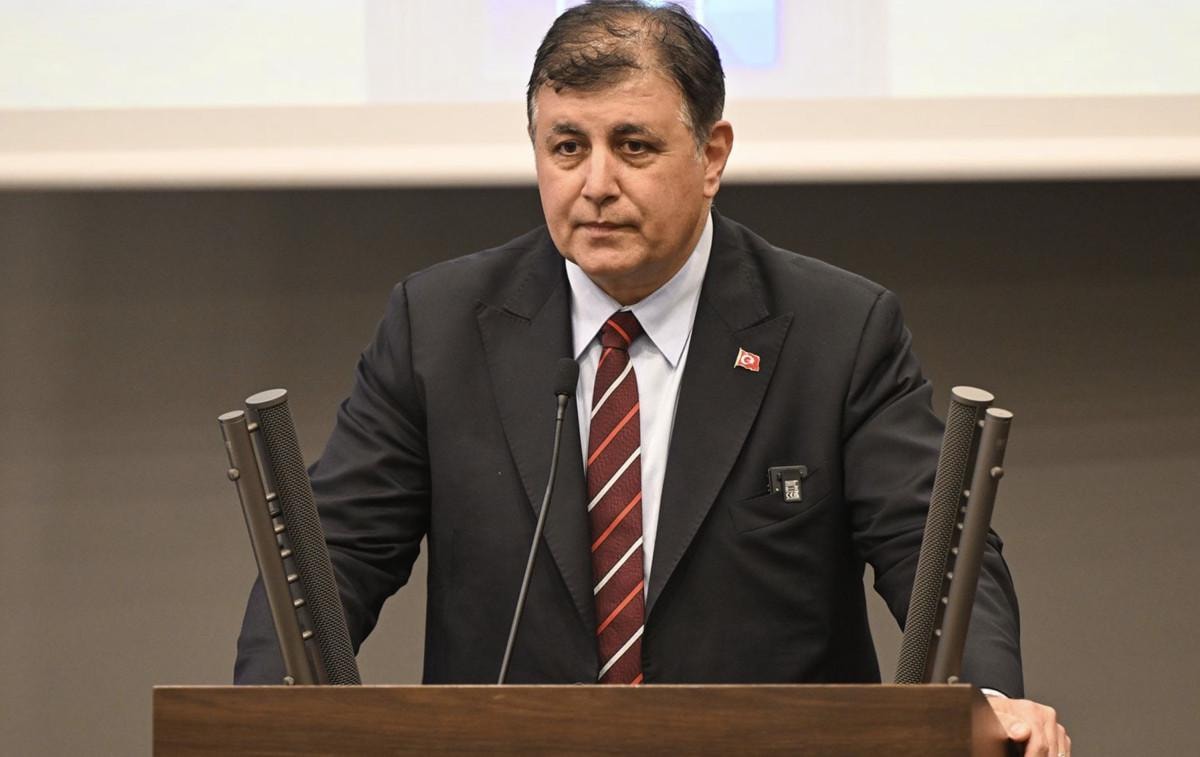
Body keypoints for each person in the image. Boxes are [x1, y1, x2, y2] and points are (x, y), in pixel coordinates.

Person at [237, 2, 1069, 754]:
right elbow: (336, 551)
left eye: (633, 146)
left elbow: (930, 542)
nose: (596, 184)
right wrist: (263, 715)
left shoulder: (837, 331)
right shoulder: (439, 326)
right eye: (568, 147)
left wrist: (988, 701)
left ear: (712, 155)